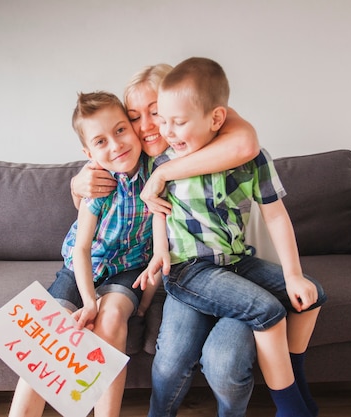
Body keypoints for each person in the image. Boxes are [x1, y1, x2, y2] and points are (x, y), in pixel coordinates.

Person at [135, 57, 327, 417]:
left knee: (312, 294)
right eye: (165, 121)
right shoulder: (163, 166)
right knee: (267, 310)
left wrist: (294, 275)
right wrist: (160, 253)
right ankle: (291, 409)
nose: (168, 133)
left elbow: (276, 215)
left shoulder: (251, 158)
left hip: (235, 262)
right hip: (189, 270)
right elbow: (158, 215)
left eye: (178, 123)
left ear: (216, 119)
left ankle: (298, 385)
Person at [72, 64, 262, 416]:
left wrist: (163, 173)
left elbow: (247, 142)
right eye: (134, 117)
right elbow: (101, 199)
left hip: (233, 269)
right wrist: (76, 185)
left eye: (156, 113)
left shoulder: (205, 138)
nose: (145, 126)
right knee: (170, 361)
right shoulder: (135, 157)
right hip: (180, 278)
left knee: (225, 366)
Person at [7, 91, 159, 417]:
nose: (116, 145)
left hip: (129, 267)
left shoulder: (155, 168)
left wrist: (124, 304)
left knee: (113, 317)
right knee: (49, 329)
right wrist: (89, 300)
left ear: (133, 128)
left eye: (120, 130)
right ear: (89, 152)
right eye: (101, 141)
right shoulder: (97, 181)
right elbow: (82, 249)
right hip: (83, 264)